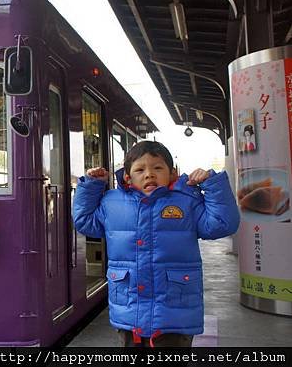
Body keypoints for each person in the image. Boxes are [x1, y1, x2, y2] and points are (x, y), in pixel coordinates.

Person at [72, 141, 240, 347]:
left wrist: (213, 185)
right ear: (127, 177)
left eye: (157, 168)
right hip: (130, 312)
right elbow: (84, 221)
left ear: (172, 173)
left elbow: (223, 225)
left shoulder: (187, 200)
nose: (149, 174)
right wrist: (91, 186)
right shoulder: (111, 202)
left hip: (174, 314)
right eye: (140, 169)